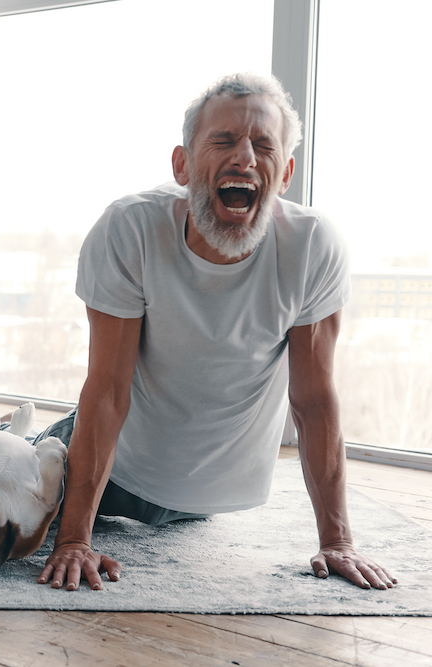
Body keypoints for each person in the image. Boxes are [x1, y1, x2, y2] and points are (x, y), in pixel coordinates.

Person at [36, 73, 397, 592]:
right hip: (113, 468)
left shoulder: (313, 247)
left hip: (202, 501)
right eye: (224, 141)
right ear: (182, 165)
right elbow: (108, 392)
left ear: (286, 173)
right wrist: (73, 539)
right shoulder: (129, 230)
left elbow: (314, 400)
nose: (245, 158)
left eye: (263, 146)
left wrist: (337, 541)